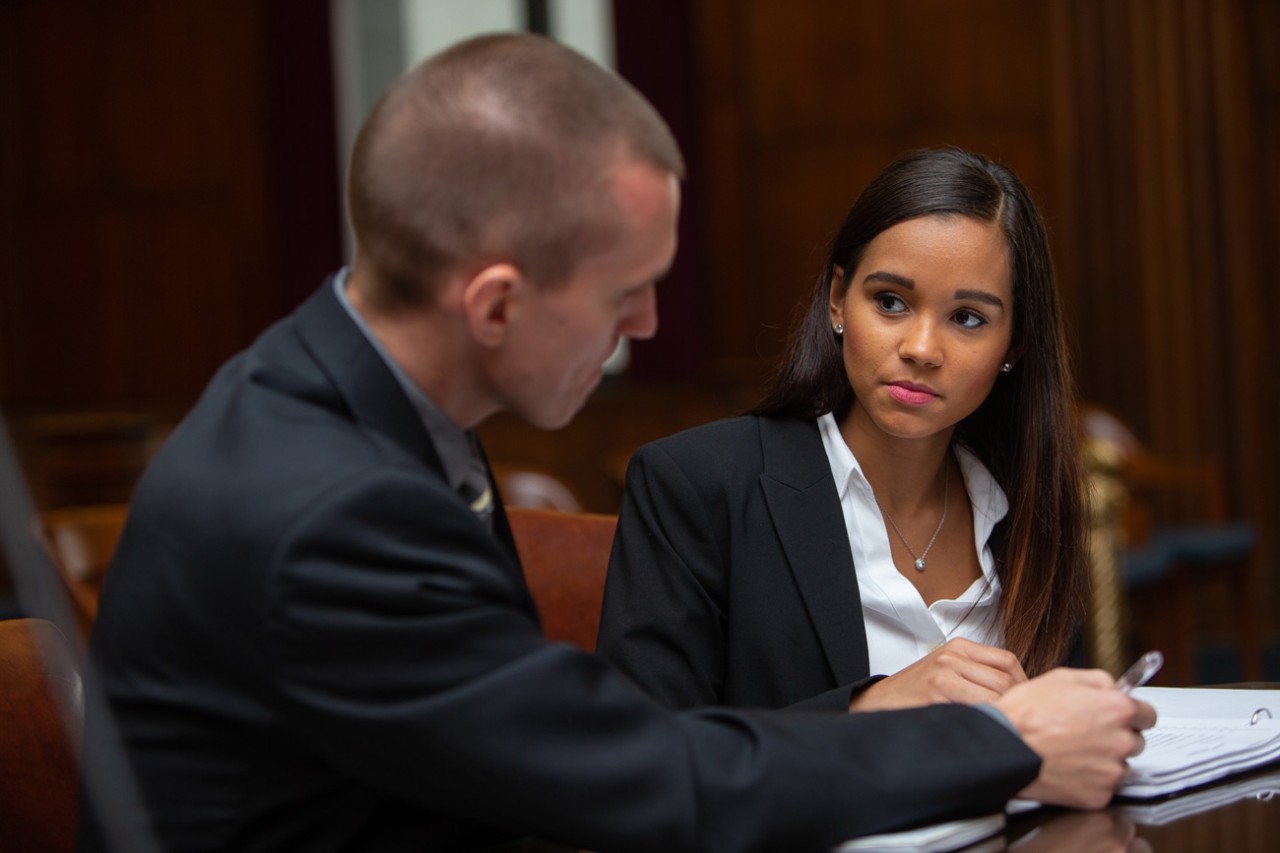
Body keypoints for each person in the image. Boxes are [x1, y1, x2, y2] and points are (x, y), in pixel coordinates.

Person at [79, 36, 1151, 853]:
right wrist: (999, 743)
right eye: (625, 293)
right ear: (495, 304)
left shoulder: (329, 395)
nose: (643, 325)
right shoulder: (328, 506)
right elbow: (631, 770)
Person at [598, 147, 1087, 713]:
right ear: (837, 300)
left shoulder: (1030, 507)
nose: (921, 349)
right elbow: (647, 759)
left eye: (968, 318)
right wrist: (865, 710)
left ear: (1014, 345)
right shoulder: (696, 486)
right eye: (890, 302)